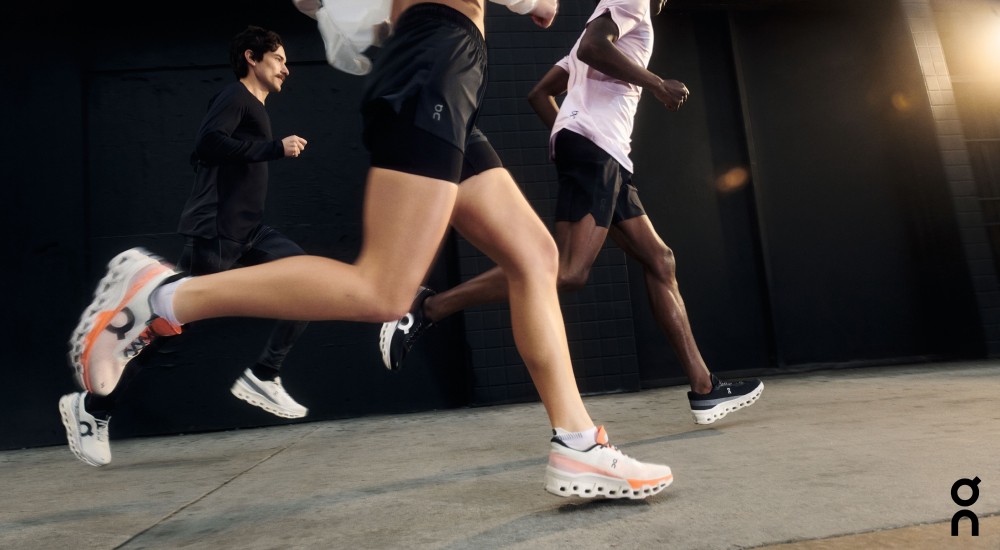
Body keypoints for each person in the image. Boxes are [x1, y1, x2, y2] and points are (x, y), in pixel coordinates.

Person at [65, 0, 675, 500]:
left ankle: (577, 446)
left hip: (441, 67)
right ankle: (161, 297)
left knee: (534, 257)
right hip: (435, 65)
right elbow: (542, 8)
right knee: (384, 289)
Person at [380, 0, 763, 425]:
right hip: (597, 148)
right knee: (567, 272)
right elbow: (593, 50)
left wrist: (568, 128)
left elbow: (540, 92)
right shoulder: (627, 3)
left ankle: (704, 388)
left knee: (660, 260)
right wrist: (656, 84)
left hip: (604, 152)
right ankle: (427, 309)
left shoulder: (600, 23)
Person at [60, 25, 312, 467]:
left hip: (247, 232)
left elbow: (208, 153)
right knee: (170, 331)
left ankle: (265, 373)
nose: (286, 68)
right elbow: (207, 143)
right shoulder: (236, 97)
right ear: (252, 58)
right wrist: (275, 147)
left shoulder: (251, 105)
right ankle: (93, 407)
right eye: (279, 59)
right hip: (215, 233)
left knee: (308, 280)